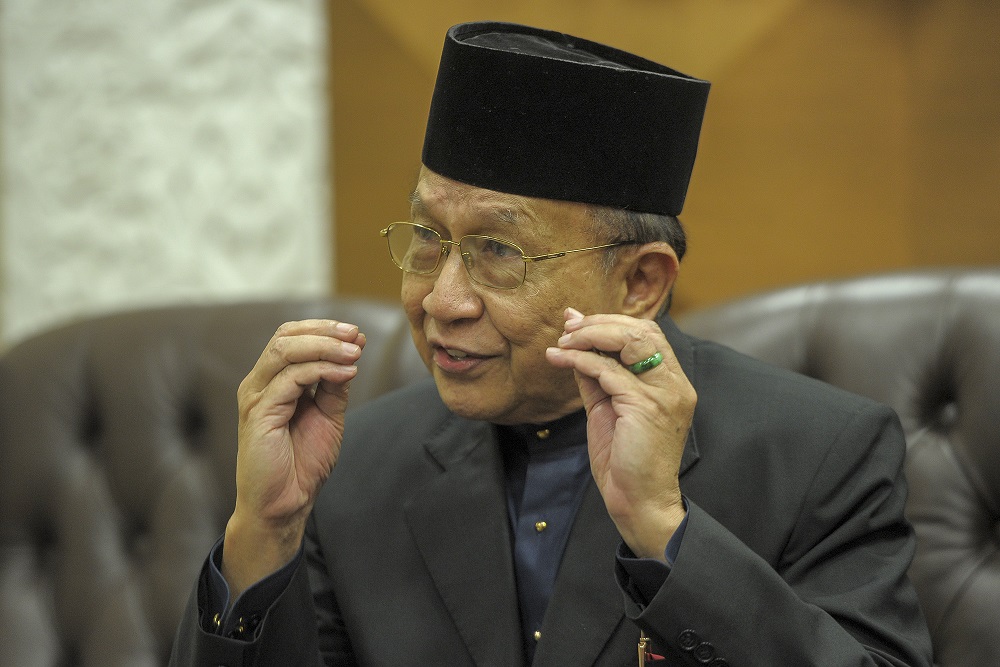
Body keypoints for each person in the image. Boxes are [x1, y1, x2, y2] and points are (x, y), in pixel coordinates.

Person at [170, 21, 933, 666]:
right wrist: (262, 534)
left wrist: (664, 531)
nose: (441, 300)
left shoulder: (818, 453)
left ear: (639, 282)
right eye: (427, 238)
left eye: (499, 251)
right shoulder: (355, 464)